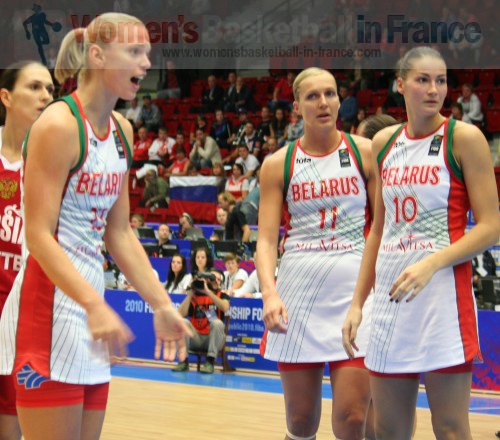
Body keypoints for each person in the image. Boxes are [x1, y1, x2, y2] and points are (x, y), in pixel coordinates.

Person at [0, 14, 192, 440]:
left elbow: (119, 232)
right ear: (99, 55)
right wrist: (92, 303)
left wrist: (161, 304)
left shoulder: (122, 129)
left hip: (88, 301)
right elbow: (37, 235)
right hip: (47, 305)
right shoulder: (57, 125)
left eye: (148, 54)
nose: (146, 65)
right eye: (135, 52)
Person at [342, 46, 500, 440]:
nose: (434, 89)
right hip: (391, 303)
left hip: (443, 300)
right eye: (423, 80)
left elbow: (492, 225)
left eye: (441, 81)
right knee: (387, 430)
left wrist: (432, 262)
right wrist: (358, 302)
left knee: (449, 428)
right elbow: (378, 229)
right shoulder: (383, 141)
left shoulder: (465, 138)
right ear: (400, 84)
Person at [257, 67, 376, 440]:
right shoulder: (278, 163)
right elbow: (264, 240)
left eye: (330, 93)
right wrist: (269, 292)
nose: (323, 102)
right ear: (296, 106)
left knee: (353, 417)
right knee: (301, 420)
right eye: (312, 96)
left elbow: (383, 228)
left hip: (355, 295)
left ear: (341, 100)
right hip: (298, 295)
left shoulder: (365, 151)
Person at [0, 60, 54, 440]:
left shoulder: (53, 159)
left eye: (50, 89)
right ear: (6, 96)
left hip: (25, 308)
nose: (46, 96)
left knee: (13, 420)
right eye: (34, 87)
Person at [172, 269, 230, 374]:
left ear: (220, 283)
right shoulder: (195, 296)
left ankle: (210, 362)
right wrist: (190, 294)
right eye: (211, 278)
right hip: (196, 338)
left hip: (213, 339)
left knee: (217, 323)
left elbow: (225, 307)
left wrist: (209, 292)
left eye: (216, 279)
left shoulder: (222, 295)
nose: (213, 281)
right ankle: (183, 361)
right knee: (183, 322)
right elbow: (179, 315)